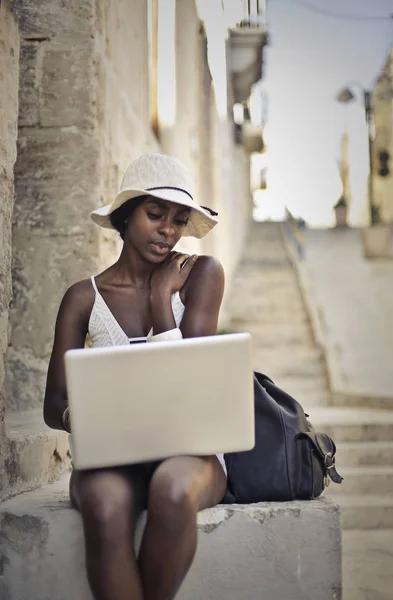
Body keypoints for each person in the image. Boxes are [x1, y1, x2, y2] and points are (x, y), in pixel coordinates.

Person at [43, 152, 227, 600]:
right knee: (105, 506)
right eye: (155, 214)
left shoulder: (201, 275)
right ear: (125, 217)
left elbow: (193, 378)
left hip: (191, 454)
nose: (169, 230)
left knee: (171, 489)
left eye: (180, 220)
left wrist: (163, 302)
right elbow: (54, 404)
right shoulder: (83, 298)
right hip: (110, 459)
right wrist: (93, 418)